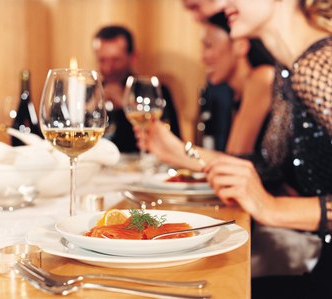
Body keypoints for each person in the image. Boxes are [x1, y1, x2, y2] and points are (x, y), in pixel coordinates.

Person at [138, 0, 332, 298]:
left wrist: (274, 209)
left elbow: (266, 192)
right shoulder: (289, 69)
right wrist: (183, 153)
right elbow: (266, 165)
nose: (220, 2)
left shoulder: (318, 66)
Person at [92, 25, 180, 153]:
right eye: (102, 60)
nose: (108, 68)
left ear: (132, 58)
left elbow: (173, 143)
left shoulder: (154, 92)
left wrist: (126, 104)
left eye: (116, 60)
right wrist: (91, 108)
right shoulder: (89, 93)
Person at [197, 12, 274, 154]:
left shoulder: (262, 78)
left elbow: (234, 158)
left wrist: (178, 150)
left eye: (208, 46)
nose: (202, 57)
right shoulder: (227, 92)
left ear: (240, 46)